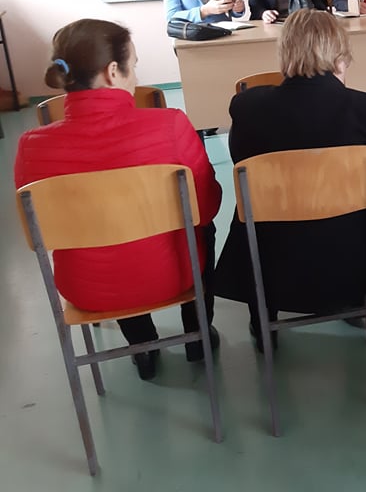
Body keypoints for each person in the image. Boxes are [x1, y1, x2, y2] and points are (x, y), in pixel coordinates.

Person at [14, 20, 222, 381]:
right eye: (133, 66)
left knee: (106, 237)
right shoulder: (170, 125)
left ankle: (142, 346)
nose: (135, 76)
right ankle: (198, 335)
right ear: (112, 72)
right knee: (202, 226)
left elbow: (39, 234)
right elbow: (205, 209)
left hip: (86, 289)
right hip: (172, 276)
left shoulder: (31, 146)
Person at [215, 9, 366, 351]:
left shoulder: (247, 108)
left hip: (273, 260)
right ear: (340, 57)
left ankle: (264, 320)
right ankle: (352, 303)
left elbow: (244, 167)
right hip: (355, 259)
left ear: (285, 53)